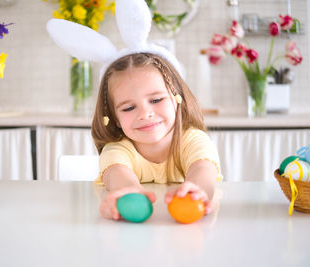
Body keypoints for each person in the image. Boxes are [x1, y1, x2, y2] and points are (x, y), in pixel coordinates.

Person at [91, 52, 222, 221]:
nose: (145, 114)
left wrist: (197, 190)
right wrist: (129, 191)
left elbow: (203, 170)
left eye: (156, 100)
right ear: (115, 118)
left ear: (177, 98)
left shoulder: (193, 140)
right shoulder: (117, 150)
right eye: (129, 108)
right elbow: (117, 174)